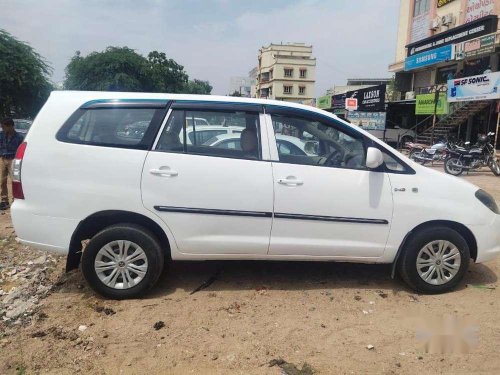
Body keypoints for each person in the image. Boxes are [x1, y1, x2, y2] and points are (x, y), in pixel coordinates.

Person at [0, 118, 24, 210]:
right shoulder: (1, 135)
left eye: (4, 127)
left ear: (10, 126)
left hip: (13, 160)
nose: (2, 129)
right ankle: (4, 201)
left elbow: (20, 149)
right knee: (2, 181)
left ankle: (16, 201)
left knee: (15, 181)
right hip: (2, 159)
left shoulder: (19, 137)